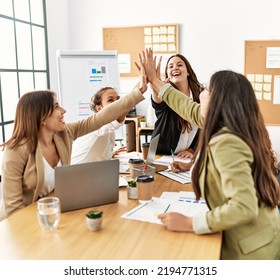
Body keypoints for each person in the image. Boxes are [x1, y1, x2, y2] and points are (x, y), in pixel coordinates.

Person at [141, 48, 280, 260]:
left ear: (217, 101)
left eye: (206, 89)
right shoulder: (231, 126)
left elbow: (244, 207)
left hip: (252, 251)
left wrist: (190, 223)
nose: (201, 93)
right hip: (260, 234)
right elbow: (185, 106)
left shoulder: (227, 141)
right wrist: (154, 80)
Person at [0, 62, 147, 220]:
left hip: (54, 212)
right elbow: (13, 209)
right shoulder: (15, 150)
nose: (63, 111)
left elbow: (101, 117)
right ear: (41, 116)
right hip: (26, 223)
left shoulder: (64, 133)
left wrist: (139, 90)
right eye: (57, 107)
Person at [150, 53, 201, 163]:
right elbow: (157, 99)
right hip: (159, 154)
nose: (175, 68)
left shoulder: (200, 95)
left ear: (188, 72)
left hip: (183, 158)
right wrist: (154, 83)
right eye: (170, 66)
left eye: (179, 65)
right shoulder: (164, 94)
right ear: (167, 73)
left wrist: (192, 150)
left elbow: (204, 127)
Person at [71, 87, 127, 164]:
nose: (117, 102)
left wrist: (110, 153)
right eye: (110, 100)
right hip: (77, 173)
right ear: (99, 108)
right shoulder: (94, 126)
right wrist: (140, 88)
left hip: (91, 171)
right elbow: (125, 106)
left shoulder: (108, 125)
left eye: (118, 99)